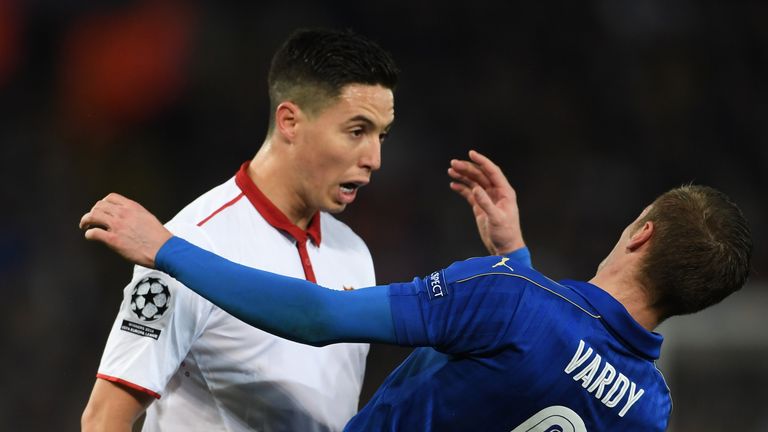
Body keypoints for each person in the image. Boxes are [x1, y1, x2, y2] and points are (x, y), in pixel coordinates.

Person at [80, 151, 753, 431]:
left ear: (641, 232)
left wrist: (166, 248)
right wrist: (515, 261)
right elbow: (550, 368)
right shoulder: (650, 409)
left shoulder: (510, 302)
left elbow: (320, 315)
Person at [80, 28, 400, 432]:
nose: (374, 158)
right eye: (357, 131)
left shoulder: (353, 252)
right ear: (290, 121)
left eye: (381, 135)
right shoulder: (190, 246)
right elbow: (104, 418)